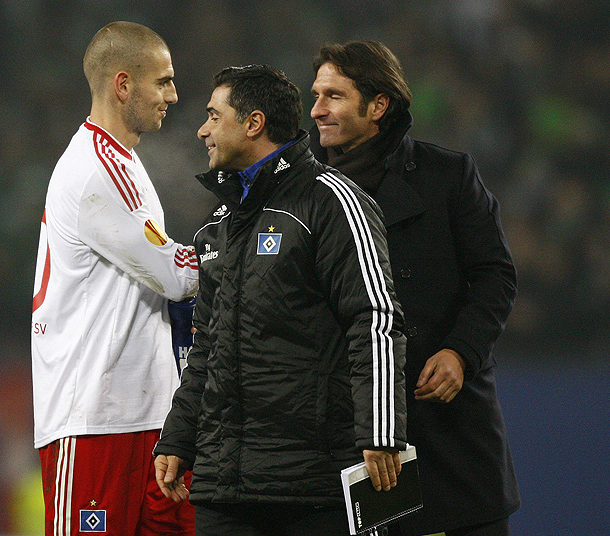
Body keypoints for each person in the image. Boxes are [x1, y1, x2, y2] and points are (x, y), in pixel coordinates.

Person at [152, 64, 407, 536]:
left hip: (312, 485)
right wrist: (180, 436)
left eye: (213, 115)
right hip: (223, 486)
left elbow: (373, 319)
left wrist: (380, 430)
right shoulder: (216, 226)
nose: (202, 130)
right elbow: (206, 346)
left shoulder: (331, 202)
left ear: (254, 123)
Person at [309, 40, 520, 536]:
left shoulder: (447, 175)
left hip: (447, 420)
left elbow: (495, 275)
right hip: (347, 431)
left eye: (334, 96)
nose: (316, 109)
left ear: (378, 105)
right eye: (316, 95)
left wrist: (460, 353)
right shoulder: (305, 190)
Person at [30, 21, 198, 536]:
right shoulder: (93, 171)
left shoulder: (123, 161)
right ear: (123, 85)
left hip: (149, 412)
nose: (173, 94)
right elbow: (172, 275)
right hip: (94, 419)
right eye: (163, 81)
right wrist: (234, 252)